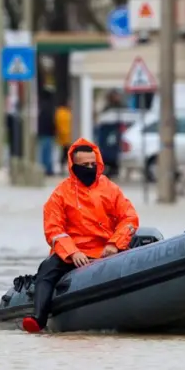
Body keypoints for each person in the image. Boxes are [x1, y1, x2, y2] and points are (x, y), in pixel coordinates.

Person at [22, 138, 140, 333]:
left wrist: (115, 244)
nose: (90, 168)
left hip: (106, 250)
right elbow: (53, 229)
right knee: (46, 271)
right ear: (73, 166)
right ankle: (39, 318)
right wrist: (72, 253)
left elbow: (129, 217)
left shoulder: (109, 189)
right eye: (85, 165)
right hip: (73, 252)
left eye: (93, 164)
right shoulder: (61, 194)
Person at [36, 90, 57, 175]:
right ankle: (48, 169)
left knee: (43, 153)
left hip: (42, 133)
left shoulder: (41, 107)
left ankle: (43, 169)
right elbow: (51, 122)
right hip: (48, 133)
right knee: (48, 153)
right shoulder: (50, 108)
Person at [55, 101, 72, 171]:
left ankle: (62, 167)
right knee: (65, 154)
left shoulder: (59, 112)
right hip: (66, 137)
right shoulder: (66, 113)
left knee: (64, 153)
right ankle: (64, 167)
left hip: (62, 137)